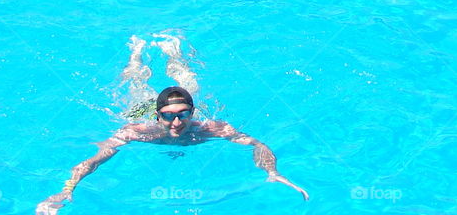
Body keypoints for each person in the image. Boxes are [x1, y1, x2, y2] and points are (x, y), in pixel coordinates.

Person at [35, 35, 308, 213]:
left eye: (183, 113)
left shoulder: (210, 128)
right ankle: (136, 51)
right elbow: (92, 161)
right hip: (140, 108)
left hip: (180, 102)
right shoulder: (138, 131)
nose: (176, 121)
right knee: (136, 82)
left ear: (192, 112)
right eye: (168, 115)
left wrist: (272, 171)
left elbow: (258, 144)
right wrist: (66, 190)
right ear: (158, 117)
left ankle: (172, 49)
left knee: (186, 81)